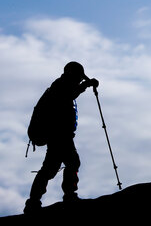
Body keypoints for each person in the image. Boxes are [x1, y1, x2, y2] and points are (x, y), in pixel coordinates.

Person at [24, 62, 99, 213]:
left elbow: (71, 94)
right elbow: (70, 94)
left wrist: (85, 84)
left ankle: (33, 202)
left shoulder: (60, 85)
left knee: (49, 169)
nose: (79, 80)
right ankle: (69, 196)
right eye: (78, 77)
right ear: (73, 74)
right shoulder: (61, 85)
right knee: (71, 162)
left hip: (58, 135)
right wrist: (86, 85)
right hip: (59, 135)